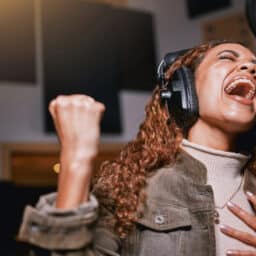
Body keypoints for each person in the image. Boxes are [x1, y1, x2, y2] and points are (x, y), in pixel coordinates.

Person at [18, 40, 256, 256]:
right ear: (185, 87)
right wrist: (75, 159)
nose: (250, 69)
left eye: (254, 65)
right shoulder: (130, 189)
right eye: (227, 57)